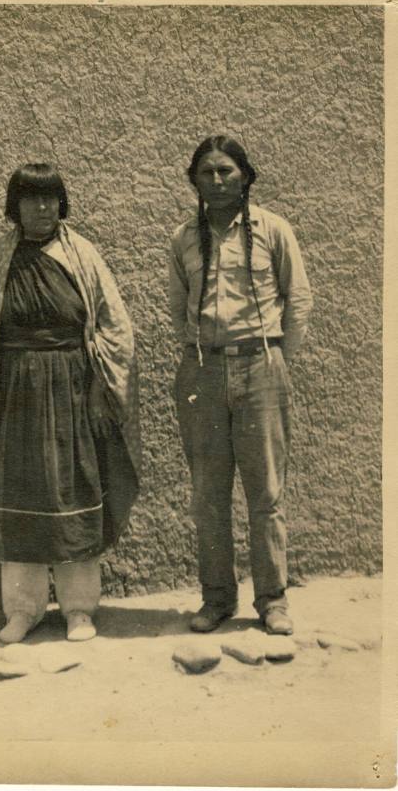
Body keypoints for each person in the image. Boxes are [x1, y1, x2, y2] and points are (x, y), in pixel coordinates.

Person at [0, 163, 140, 644]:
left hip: (74, 388)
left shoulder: (82, 255)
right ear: (15, 206)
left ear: (61, 203)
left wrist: (100, 388)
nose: (42, 207)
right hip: (15, 393)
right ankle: (23, 610)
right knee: (19, 495)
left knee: (75, 488)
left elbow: (115, 327)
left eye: (50, 198)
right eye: (31, 199)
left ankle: (78, 610)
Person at [168, 135, 313, 636]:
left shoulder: (273, 230)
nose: (217, 180)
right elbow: (179, 309)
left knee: (265, 492)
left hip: (261, 368)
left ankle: (272, 600)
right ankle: (216, 598)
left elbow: (298, 301)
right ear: (194, 180)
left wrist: (274, 360)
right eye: (207, 172)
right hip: (204, 371)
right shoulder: (184, 238)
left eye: (226, 170)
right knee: (208, 494)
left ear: (245, 175)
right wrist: (201, 360)